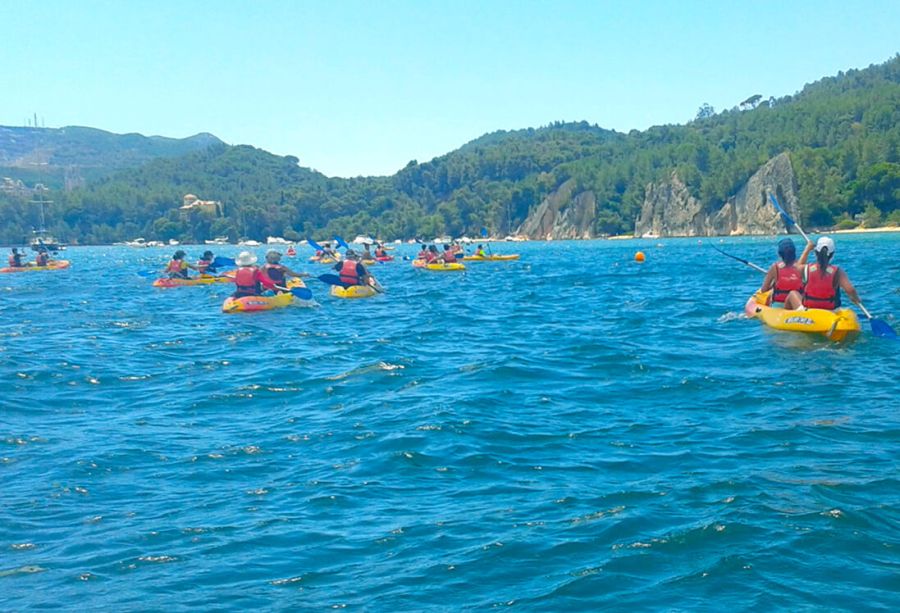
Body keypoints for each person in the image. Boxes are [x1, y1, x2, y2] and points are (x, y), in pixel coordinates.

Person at [784, 237, 861, 311]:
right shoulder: (838, 271)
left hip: (809, 310)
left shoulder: (806, 268)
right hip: (831, 311)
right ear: (832, 254)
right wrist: (855, 299)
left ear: (816, 253)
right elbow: (850, 290)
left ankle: (786, 318)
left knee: (792, 293)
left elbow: (797, 267)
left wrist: (807, 249)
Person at [758, 238, 814, 304]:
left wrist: (773, 285)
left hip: (778, 305)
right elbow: (799, 265)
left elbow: (763, 289)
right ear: (794, 253)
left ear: (779, 254)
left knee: (770, 296)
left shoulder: (775, 268)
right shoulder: (802, 268)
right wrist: (807, 249)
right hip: (796, 305)